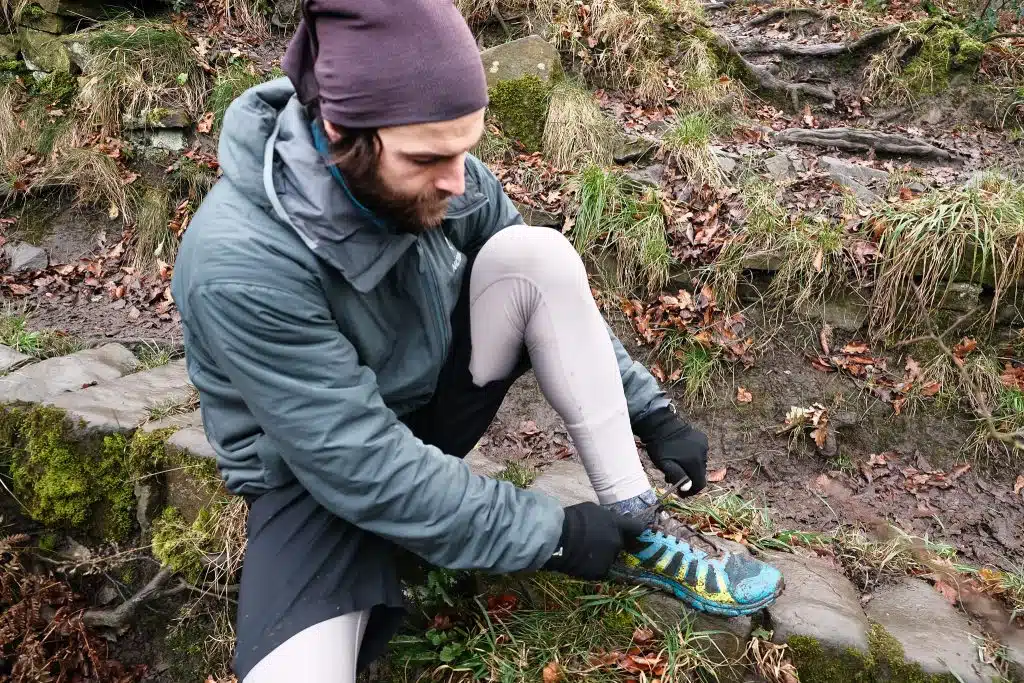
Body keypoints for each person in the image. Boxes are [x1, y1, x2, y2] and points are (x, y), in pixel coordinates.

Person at [170, 0, 783, 679]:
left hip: (428, 408)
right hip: (310, 484)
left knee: (534, 252)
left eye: (467, 148)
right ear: (340, 126)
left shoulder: (441, 170)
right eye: (430, 157)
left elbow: (547, 291)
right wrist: (553, 535)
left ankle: (638, 523)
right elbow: (365, 467)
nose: (459, 181)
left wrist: (651, 410)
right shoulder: (239, 264)